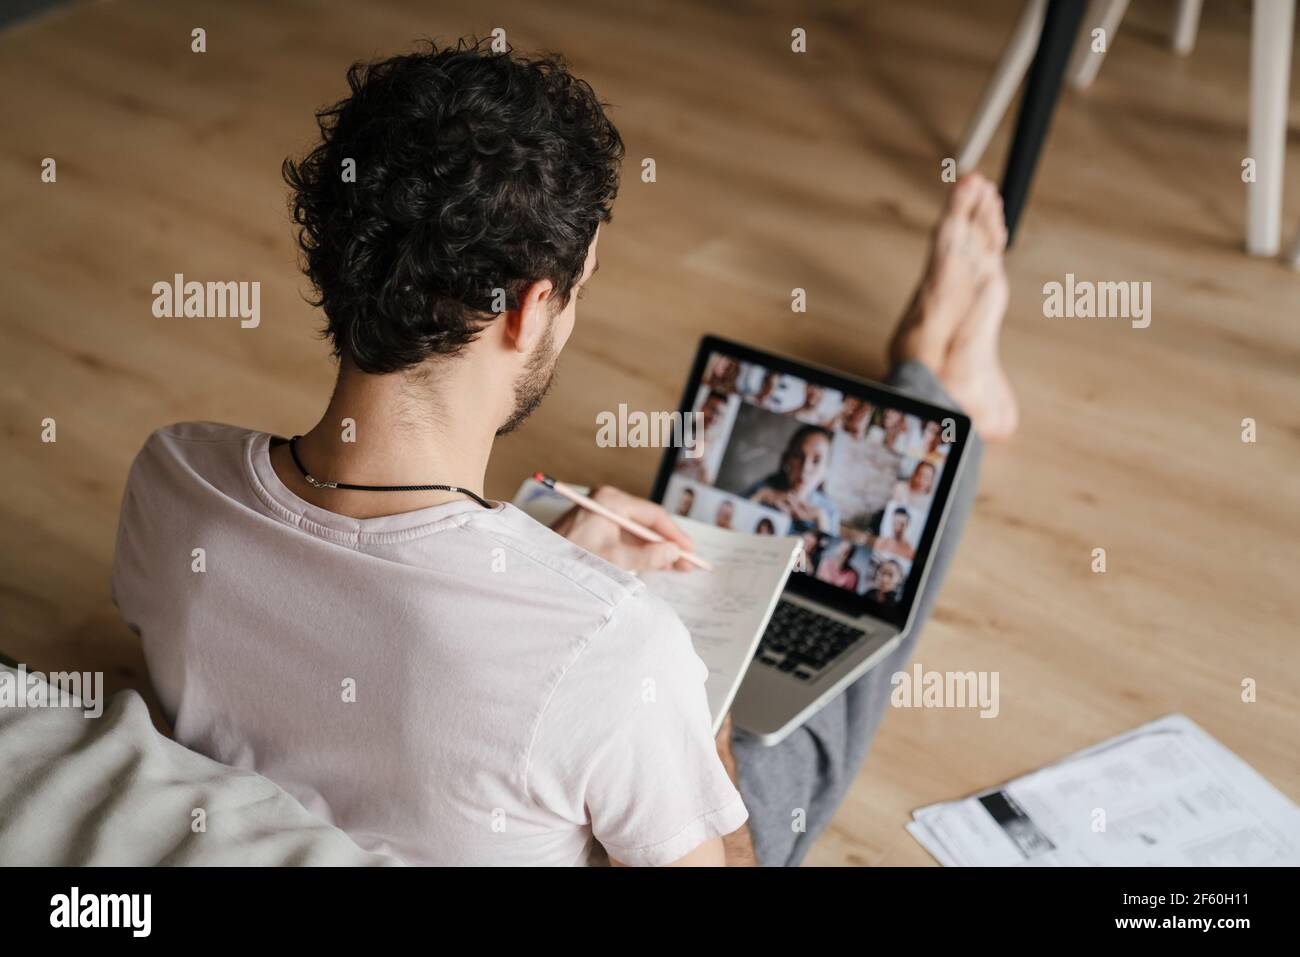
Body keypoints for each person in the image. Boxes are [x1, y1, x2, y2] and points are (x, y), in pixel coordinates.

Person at [113, 39, 1017, 868]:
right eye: (578, 290)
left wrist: (552, 578)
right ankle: (942, 382)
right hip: (634, 716)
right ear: (526, 309)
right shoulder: (625, 655)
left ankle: (938, 369)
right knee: (815, 726)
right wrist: (693, 704)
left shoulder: (172, 476)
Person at [743, 425, 840, 534]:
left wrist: (821, 520)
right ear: (788, 459)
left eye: (816, 461)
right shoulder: (763, 488)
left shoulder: (829, 511)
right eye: (799, 456)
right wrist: (758, 497)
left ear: (826, 471)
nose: (805, 468)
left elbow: (830, 550)